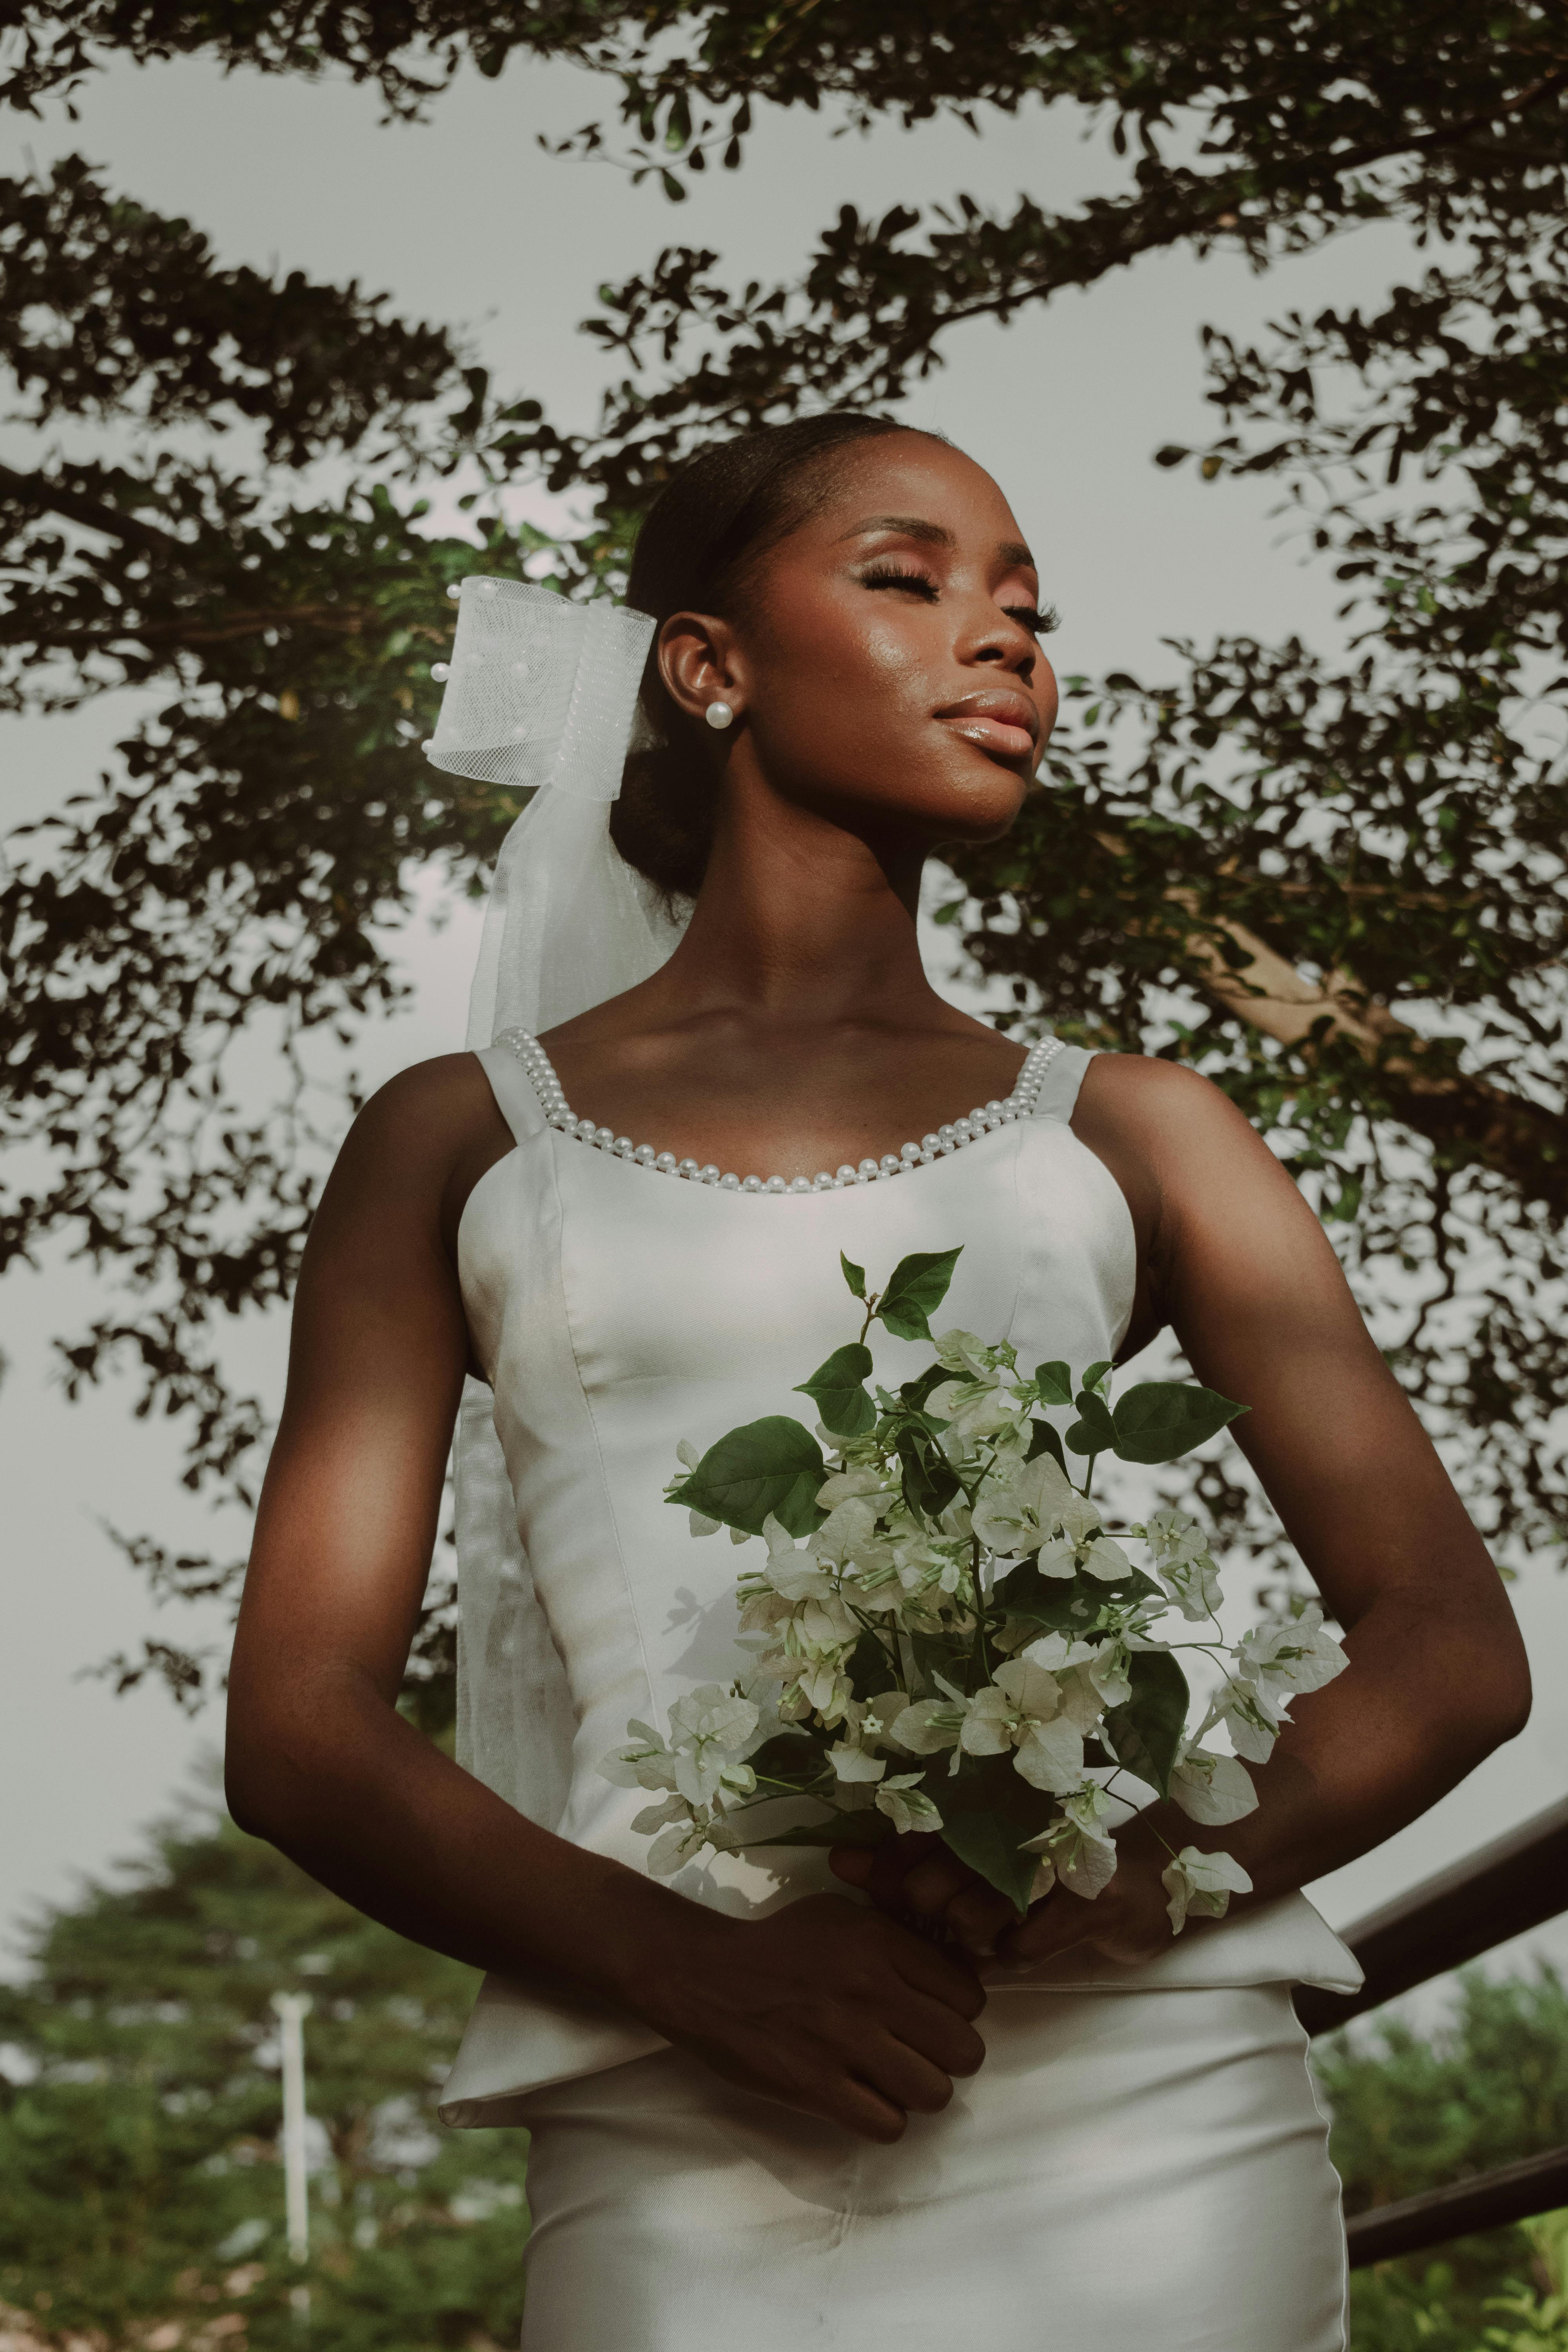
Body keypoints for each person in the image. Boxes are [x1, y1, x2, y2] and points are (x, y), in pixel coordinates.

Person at [226, 413, 1530, 2349]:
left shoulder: (1153, 1132)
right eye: (907, 581)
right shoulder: (458, 1140)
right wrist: (701, 1974)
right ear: (709, 666)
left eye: (1027, 609)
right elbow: (303, 1726)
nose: (1003, 643)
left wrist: (1125, 1876)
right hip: (683, 2102)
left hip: (1148, 2105)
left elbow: (1449, 1648)